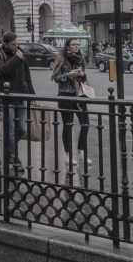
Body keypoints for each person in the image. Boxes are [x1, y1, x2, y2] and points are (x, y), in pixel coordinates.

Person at [0, 32, 35, 172]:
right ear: (5, 44)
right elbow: (1, 71)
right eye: (12, 44)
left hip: (22, 96)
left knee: (23, 128)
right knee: (11, 130)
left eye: (16, 44)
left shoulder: (20, 54)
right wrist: (15, 59)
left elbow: (27, 77)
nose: (15, 46)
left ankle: (9, 149)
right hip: (8, 98)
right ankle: (14, 156)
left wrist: (32, 96)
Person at [52, 38, 91, 169]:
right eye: (74, 45)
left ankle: (82, 151)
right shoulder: (61, 58)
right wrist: (68, 74)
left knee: (85, 124)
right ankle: (68, 154)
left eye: (77, 44)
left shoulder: (80, 59)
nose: (77, 47)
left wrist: (82, 74)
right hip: (65, 95)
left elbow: (84, 79)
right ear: (67, 47)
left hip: (79, 95)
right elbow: (56, 78)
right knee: (67, 125)